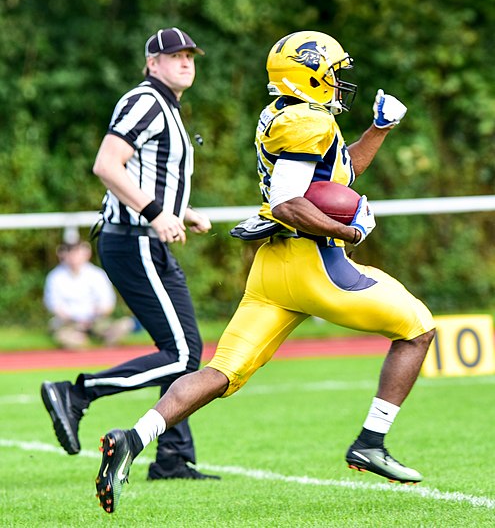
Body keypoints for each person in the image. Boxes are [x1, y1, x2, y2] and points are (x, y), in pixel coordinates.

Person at [93, 30, 436, 514]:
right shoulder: (306, 121)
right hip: (315, 265)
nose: (340, 81)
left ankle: (132, 438)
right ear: (310, 73)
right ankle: (370, 442)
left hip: (272, 270)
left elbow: (336, 177)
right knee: (419, 327)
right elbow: (288, 202)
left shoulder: (288, 113)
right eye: (334, 72)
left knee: (221, 371)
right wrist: (354, 232)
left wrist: (378, 130)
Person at [41, 27, 219, 482]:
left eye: (190, 57)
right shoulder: (145, 100)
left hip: (146, 236)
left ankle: (173, 458)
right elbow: (107, 163)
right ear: (151, 62)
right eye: (174, 55)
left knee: (186, 351)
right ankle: (78, 394)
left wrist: (183, 212)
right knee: (180, 354)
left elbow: (146, 175)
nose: (185, 63)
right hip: (133, 237)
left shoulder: (168, 108)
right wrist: (158, 213)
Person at [43, 239, 135, 349]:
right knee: (64, 334)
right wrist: (75, 319)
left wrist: (93, 316)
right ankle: (81, 339)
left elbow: (107, 303)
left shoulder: (97, 275)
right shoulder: (55, 277)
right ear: (64, 255)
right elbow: (54, 304)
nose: (74, 258)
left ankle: (103, 337)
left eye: (77, 253)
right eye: (71, 253)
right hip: (69, 322)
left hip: (95, 320)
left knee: (124, 324)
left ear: (86, 254)